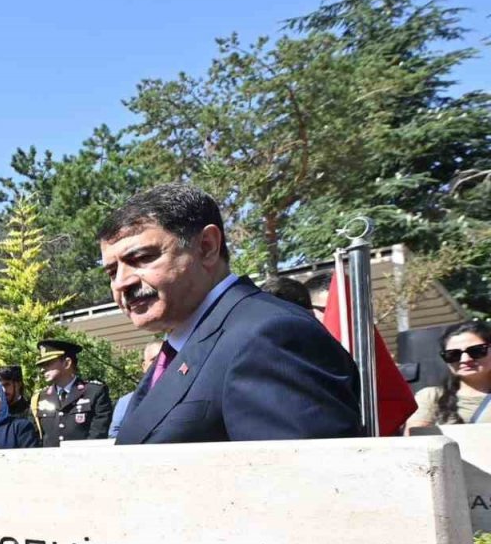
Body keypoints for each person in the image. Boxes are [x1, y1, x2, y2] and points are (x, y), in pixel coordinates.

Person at [100, 184, 361, 444]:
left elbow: (302, 478)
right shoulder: (180, 348)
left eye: (142, 258)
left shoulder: (271, 337)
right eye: (112, 272)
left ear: (206, 247)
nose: (122, 282)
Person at [406, 320, 491, 431]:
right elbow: (415, 443)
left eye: (476, 351)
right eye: (453, 354)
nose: (465, 360)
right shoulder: (431, 397)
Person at [30, 339, 114, 443]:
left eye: (48, 363)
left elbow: (98, 434)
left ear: (67, 363)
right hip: (50, 458)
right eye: (42, 365)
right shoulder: (40, 398)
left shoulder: (94, 392)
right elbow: (37, 437)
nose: (43, 369)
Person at [110, 341, 163, 440]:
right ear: (144, 366)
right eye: (154, 360)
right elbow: (115, 434)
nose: (160, 363)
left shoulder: (186, 395)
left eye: (165, 359)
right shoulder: (125, 402)